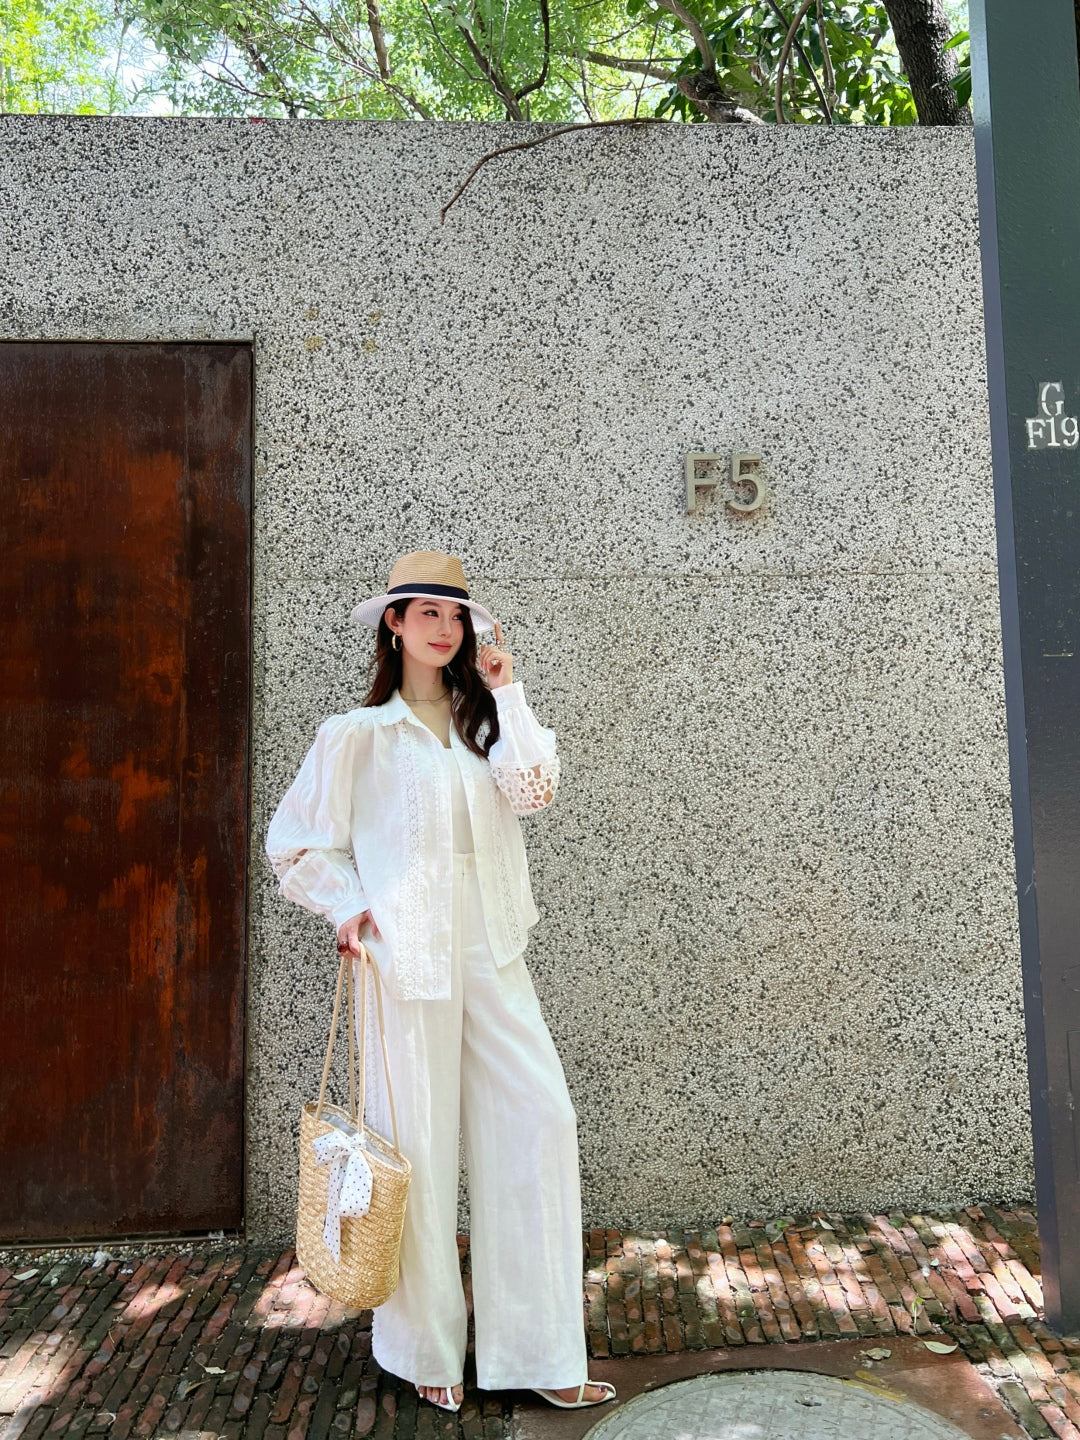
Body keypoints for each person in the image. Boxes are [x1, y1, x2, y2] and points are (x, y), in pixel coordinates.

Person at [265, 551, 616, 1415]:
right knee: (414, 1142)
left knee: (541, 1120)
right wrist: (350, 907)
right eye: (427, 612)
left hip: (492, 943)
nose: (445, 629)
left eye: (456, 616)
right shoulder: (358, 734)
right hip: (403, 951)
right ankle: (425, 1344)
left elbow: (535, 791)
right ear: (394, 623)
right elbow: (298, 843)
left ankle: (538, 1349)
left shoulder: (484, 721)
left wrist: (508, 690)